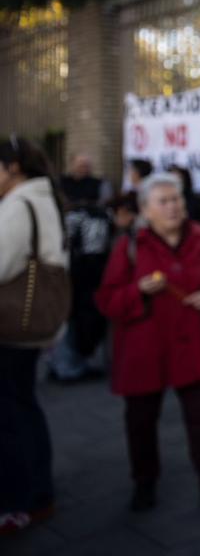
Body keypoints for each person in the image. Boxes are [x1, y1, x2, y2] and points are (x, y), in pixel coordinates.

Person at [96, 173, 200, 515]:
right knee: (141, 422)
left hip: (195, 346)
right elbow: (107, 299)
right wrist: (137, 291)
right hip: (146, 349)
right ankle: (144, 483)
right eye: (163, 201)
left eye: (176, 199)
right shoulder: (130, 247)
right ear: (145, 210)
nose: (173, 207)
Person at [0, 136, 65, 535]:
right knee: (24, 406)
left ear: (13, 168)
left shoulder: (18, 204)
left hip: (9, 326)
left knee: (9, 415)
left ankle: (16, 501)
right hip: (29, 324)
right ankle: (39, 493)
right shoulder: (41, 197)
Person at [50, 153, 114, 382]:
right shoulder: (61, 184)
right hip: (67, 265)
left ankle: (78, 362)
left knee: (86, 316)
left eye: (86, 165)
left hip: (90, 267)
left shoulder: (99, 187)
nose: (83, 168)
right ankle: (65, 364)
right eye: (79, 164)